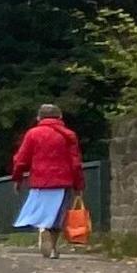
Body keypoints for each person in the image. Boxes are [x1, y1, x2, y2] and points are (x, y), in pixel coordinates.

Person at [9, 102, 84, 257]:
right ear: (60, 117)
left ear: (39, 117)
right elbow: (75, 162)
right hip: (63, 181)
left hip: (39, 181)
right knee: (58, 214)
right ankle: (54, 248)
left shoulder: (32, 134)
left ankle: (43, 230)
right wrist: (79, 184)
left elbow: (21, 159)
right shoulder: (68, 135)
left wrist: (17, 178)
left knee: (41, 211)